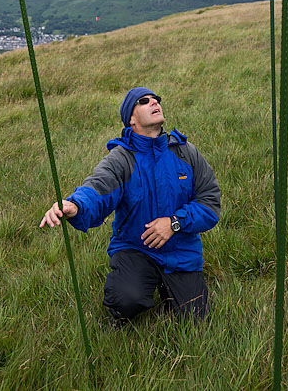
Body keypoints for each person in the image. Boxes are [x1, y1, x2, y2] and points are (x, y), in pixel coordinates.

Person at [40, 87, 221, 324]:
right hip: (136, 249)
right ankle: (124, 309)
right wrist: (76, 205)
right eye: (144, 101)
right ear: (131, 120)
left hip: (181, 252)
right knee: (125, 299)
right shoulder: (122, 158)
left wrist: (174, 223)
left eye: (156, 99)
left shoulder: (186, 153)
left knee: (196, 320)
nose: (154, 102)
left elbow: (210, 203)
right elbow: (98, 188)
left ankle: (170, 290)